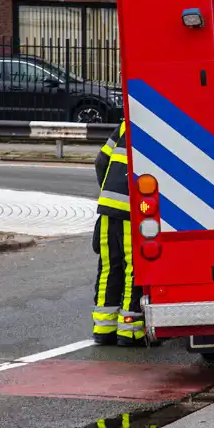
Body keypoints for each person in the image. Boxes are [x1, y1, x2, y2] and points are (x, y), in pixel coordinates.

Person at [92, 121, 147, 347]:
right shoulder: (155, 119)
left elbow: (100, 161)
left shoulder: (125, 124)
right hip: (130, 211)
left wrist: (108, 192)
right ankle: (130, 330)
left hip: (107, 207)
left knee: (108, 267)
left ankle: (103, 328)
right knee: (133, 267)